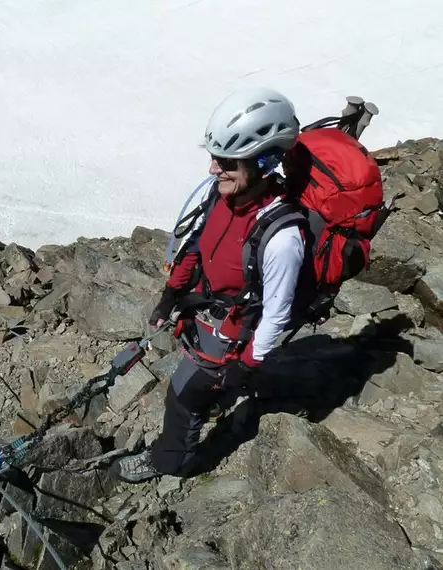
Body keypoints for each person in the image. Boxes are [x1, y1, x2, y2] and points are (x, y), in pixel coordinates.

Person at [112, 87, 306, 483]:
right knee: (194, 385)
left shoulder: (283, 237)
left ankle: (173, 462)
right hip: (207, 311)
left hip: (233, 330)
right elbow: (196, 245)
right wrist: (170, 297)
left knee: (183, 396)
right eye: (215, 157)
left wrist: (245, 367)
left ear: (266, 162)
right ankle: (216, 400)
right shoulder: (223, 195)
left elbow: (277, 314)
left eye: (227, 161)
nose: (213, 169)